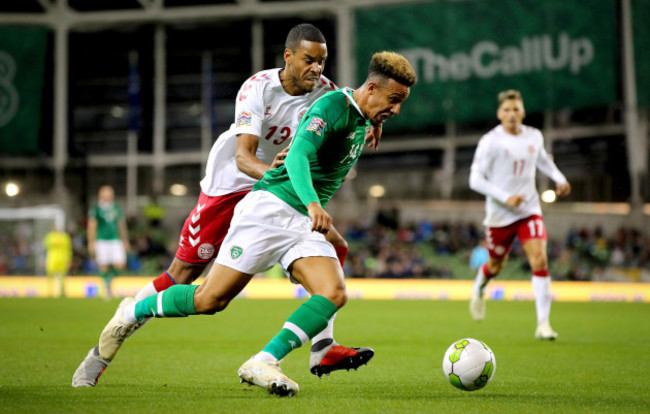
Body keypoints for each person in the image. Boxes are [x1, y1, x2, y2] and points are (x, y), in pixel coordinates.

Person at [72, 23, 380, 388]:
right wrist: (276, 181)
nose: (317, 68)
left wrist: (372, 123)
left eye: (322, 62)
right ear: (288, 56)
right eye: (309, 60)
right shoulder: (257, 89)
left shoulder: (325, 93)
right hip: (233, 182)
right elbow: (243, 157)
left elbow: (351, 105)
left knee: (337, 246)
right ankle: (119, 328)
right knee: (185, 276)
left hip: (282, 190)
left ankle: (322, 344)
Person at [468, 89, 571, 340]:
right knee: (496, 265)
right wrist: (506, 197)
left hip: (528, 210)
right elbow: (475, 179)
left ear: (523, 112)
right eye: (507, 110)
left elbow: (543, 160)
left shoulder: (534, 136)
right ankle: (479, 287)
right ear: (499, 114)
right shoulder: (490, 141)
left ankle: (543, 324)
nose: (512, 114)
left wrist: (559, 177)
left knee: (540, 260)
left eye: (516, 109)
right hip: (500, 214)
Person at [87, 185, 130, 300]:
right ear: (101, 194)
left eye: (110, 192)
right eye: (106, 193)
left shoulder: (116, 208)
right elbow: (92, 225)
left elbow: (121, 225)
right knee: (104, 265)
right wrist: (91, 242)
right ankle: (107, 289)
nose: (108, 195)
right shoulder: (96, 209)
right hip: (101, 240)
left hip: (115, 240)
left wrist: (125, 240)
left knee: (120, 264)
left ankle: (108, 282)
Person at [43, 224, 72, 297]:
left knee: (62, 276)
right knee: (50, 275)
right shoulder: (50, 236)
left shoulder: (65, 237)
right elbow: (45, 245)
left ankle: (62, 291)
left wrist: (69, 259)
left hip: (63, 258)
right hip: (52, 258)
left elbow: (69, 249)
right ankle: (50, 292)